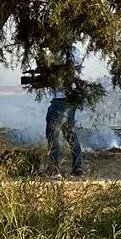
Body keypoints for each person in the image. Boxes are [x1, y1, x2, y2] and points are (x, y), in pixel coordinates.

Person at [43, 47, 88, 179]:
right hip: (71, 100)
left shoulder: (62, 52)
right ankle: (77, 169)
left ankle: (54, 170)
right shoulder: (75, 51)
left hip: (60, 100)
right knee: (70, 134)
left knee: (52, 134)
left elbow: (56, 75)